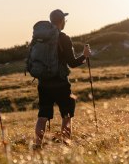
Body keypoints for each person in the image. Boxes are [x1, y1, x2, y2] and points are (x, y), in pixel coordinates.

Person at [34, 9, 91, 148]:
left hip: (43, 82)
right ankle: (66, 146)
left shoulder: (40, 38)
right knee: (66, 115)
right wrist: (84, 56)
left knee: (43, 116)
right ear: (61, 21)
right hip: (60, 83)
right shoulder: (63, 38)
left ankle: (37, 146)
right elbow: (72, 62)